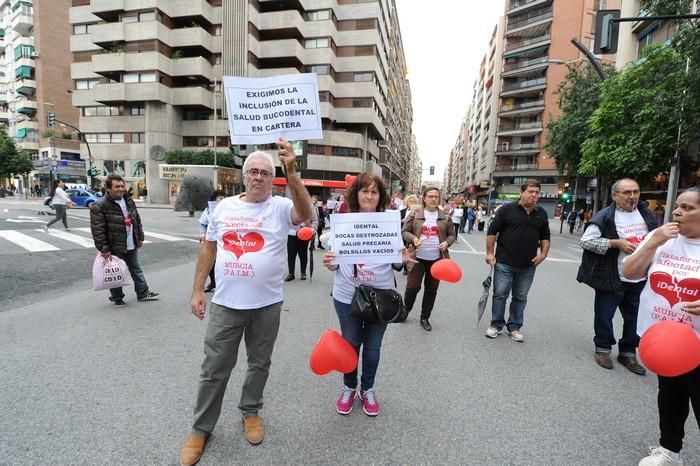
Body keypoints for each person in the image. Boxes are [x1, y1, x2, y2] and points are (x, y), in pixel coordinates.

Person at [179, 140, 313, 466]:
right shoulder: (223, 208)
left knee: (259, 364)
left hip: (266, 305)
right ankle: (200, 429)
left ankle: (250, 411)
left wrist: (291, 171)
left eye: (265, 173)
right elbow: (208, 250)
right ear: (243, 176)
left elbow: (306, 213)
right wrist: (198, 290)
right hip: (226, 304)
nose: (258, 178)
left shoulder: (280, 206)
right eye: (253, 172)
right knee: (214, 369)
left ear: (272, 179)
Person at [622, 187, 700, 466]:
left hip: (698, 343)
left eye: (688, 208)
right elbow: (629, 272)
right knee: (670, 396)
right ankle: (670, 451)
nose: (677, 212)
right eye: (678, 206)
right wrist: (653, 242)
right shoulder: (661, 239)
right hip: (667, 341)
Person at [322, 173, 408, 417]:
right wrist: (330, 262)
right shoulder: (343, 222)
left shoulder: (389, 224)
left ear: (380, 197)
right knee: (350, 345)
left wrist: (402, 259)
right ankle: (349, 387)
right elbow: (335, 261)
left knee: (372, 348)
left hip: (381, 297)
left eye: (374, 192)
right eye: (364, 191)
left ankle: (367, 389)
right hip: (347, 295)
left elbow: (397, 265)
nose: (369, 196)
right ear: (356, 194)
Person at [577, 178, 657, 374]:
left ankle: (628, 352)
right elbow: (586, 242)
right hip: (612, 277)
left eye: (635, 192)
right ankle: (603, 348)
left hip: (640, 279)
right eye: (627, 192)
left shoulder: (646, 214)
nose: (632, 196)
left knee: (635, 319)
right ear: (614, 195)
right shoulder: (605, 216)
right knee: (604, 316)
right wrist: (615, 243)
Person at [484, 180, 550, 342]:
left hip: (528, 265)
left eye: (537, 192)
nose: (534, 195)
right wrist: (490, 253)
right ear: (522, 192)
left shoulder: (541, 213)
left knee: (520, 297)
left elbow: (545, 236)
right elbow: (492, 232)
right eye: (530, 191)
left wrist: (543, 254)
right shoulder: (506, 210)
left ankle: (514, 327)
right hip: (504, 262)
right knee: (500, 294)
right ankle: (496, 324)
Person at [89, 175, 159, 306]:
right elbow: (98, 230)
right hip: (114, 245)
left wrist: (140, 236)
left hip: (130, 241)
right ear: (108, 189)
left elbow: (136, 219)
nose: (121, 189)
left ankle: (143, 292)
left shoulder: (128, 201)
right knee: (115, 270)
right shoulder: (99, 205)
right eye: (117, 186)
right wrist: (104, 249)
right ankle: (117, 298)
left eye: (122, 186)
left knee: (136, 269)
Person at [402, 187, 457, 331]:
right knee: (412, 287)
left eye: (436, 197)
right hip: (417, 258)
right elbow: (404, 232)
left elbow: (452, 235)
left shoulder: (445, 216)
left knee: (431, 289)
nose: (433, 199)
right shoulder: (415, 214)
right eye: (430, 196)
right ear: (424, 198)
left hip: (437, 260)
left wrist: (446, 242)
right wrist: (414, 238)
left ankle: (425, 317)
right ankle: (405, 309)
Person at [198, 190, 227, 292]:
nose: (222, 200)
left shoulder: (228, 209)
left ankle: (221, 284)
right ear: (214, 199)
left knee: (222, 264)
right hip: (211, 241)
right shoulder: (208, 210)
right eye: (220, 198)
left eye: (224, 198)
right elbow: (203, 223)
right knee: (209, 264)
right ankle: (213, 282)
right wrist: (202, 233)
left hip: (224, 241)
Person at [285, 196, 318, 281]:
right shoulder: (290, 206)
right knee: (291, 254)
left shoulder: (310, 207)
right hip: (292, 234)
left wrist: (313, 229)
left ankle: (303, 273)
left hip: (304, 233)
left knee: (303, 254)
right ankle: (291, 273)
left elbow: (315, 220)